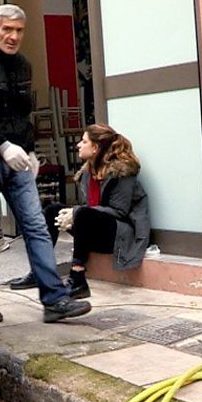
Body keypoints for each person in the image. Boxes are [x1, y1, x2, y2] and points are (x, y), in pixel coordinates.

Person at [0, 4, 91, 323]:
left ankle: (54, 300)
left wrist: (30, 151)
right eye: (7, 30)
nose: (13, 36)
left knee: (37, 227)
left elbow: (25, 115)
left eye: (19, 30)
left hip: (19, 159)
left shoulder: (24, 65)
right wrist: (1, 144)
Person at [45, 124, 150, 299]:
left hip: (119, 236)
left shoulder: (122, 172)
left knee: (83, 213)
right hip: (93, 229)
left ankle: (77, 279)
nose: (78, 145)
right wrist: (72, 215)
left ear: (95, 148)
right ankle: (41, 271)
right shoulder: (88, 172)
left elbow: (119, 212)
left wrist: (76, 213)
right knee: (53, 210)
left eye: (84, 141)